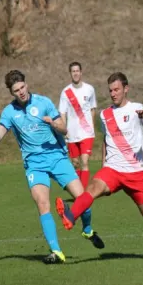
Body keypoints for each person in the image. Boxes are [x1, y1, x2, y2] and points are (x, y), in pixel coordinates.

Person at [54, 72, 143, 260]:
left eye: (116, 89)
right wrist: (104, 164)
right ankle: (71, 216)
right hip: (113, 168)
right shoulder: (105, 115)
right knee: (93, 187)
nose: (113, 93)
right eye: (110, 90)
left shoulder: (136, 109)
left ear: (126, 89)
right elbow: (107, 141)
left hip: (136, 172)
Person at [0, 70, 105, 265]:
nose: (21, 92)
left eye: (22, 87)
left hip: (57, 157)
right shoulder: (9, 112)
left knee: (83, 199)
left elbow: (64, 128)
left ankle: (87, 230)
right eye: (16, 90)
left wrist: (54, 124)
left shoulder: (44, 102)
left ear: (26, 84)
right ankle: (57, 252)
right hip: (34, 164)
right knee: (42, 204)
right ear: (11, 92)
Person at [58, 62, 97, 190]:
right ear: (70, 73)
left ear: (81, 72)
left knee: (85, 162)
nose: (75, 73)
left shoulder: (89, 89)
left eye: (77, 71)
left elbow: (93, 109)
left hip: (86, 133)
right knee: (75, 164)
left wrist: (90, 126)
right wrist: (64, 130)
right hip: (72, 133)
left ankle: (83, 194)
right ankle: (79, 190)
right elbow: (62, 113)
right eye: (73, 71)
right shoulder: (65, 92)